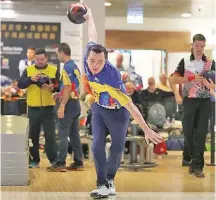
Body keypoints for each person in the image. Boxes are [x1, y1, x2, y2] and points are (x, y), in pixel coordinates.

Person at [82, 6, 162, 198]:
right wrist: (90, 16)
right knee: (96, 145)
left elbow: (131, 106)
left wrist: (146, 129)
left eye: (99, 62)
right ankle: (101, 184)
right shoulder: (89, 56)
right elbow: (93, 35)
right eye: (92, 61)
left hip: (118, 113)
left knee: (117, 149)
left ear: (105, 61)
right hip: (99, 109)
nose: (94, 65)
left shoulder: (113, 80)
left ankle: (110, 180)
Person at [170, 34, 215, 178]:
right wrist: (191, 78)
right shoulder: (184, 61)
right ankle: (190, 158)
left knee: (201, 134)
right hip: (189, 101)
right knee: (188, 133)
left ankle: (197, 166)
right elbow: (173, 79)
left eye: (202, 46)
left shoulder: (210, 63)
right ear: (192, 45)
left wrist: (211, 85)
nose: (199, 49)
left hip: (205, 101)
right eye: (197, 46)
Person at [18, 48, 59, 168]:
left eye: (42, 59)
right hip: (33, 108)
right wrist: (30, 80)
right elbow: (20, 84)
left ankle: (54, 160)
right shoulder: (28, 70)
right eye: (37, 59)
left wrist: (53, 88)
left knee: (50, 136)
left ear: (46, 58)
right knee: (33, 136)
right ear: (34, 58)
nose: (40, 61)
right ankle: (34, 160)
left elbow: (60, 87)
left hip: (49, 108)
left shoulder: (54, 70)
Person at [47, 43, 84, 172]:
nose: (57, 56)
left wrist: (62, 106)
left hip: (68, 105)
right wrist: (59, 93)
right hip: (75, 104)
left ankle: (60, 163)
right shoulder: (75, 67)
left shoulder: (66, 68)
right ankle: (79, 162)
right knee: (74, 134)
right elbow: (71, 87)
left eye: (57, 53)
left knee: (63, 133)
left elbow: (68, 87)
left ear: (62, 52)